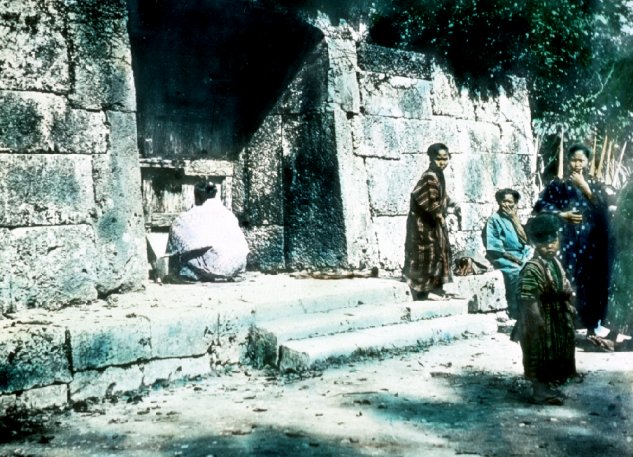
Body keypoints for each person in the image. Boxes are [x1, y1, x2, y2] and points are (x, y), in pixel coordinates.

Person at [533, 144, 614, 340]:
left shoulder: (595, 184)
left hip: (591, 243)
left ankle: (591, 327)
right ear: (568, 161)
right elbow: (540, 207)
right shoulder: (558, 184)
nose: (577, 164)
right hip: (566, 242)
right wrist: (563, 214)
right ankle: (561, 325)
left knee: (591, 284)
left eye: (581, 160)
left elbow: (605, 211)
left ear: (587, 162)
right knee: (565, 281)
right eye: (574, 160)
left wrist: (585, 188)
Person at [512, 213, 578, 405]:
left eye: (553, 241)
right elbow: (529, 299)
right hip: (538, 319)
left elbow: (563, 287)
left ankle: (548, 385)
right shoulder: (533, 268)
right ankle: (539, 390)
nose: (549, 246)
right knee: (537, 353)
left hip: (555, 316)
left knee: (554, 353)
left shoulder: (555, 263)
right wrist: (536, 321)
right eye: (543, 242)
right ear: (534, 243)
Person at [403, 143, 459, 300]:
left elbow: (441, 196)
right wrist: (440, 216)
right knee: (426, 253)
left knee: (440, 252)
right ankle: (422, 291)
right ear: (431, 159)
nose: (442, 162)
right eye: (438, 159)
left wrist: (452, 203)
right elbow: (430, 200)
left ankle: (436, 287)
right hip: (423, 224)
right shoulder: (429, 176)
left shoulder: (439, 175)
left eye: (445, 159)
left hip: (433, 221)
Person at [166, 181, 249, 282]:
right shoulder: (228, 214)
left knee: (177, 235)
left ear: (197, 198)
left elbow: (181, 246)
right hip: (236, 266)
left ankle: (175, 273)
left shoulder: (188, 217)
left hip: (215, 266)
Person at [483, 189, 533, 319]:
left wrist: (515, 219)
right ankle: (515, 308)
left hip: (521, 253)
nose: (507, 205)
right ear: (499, 202)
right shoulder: (494, 220)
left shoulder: (513, 218)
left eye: (510, 202)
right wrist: (517, 261)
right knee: (516, 272)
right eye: (504, 201)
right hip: (502, 256)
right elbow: (495, 248)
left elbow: (524, 240)